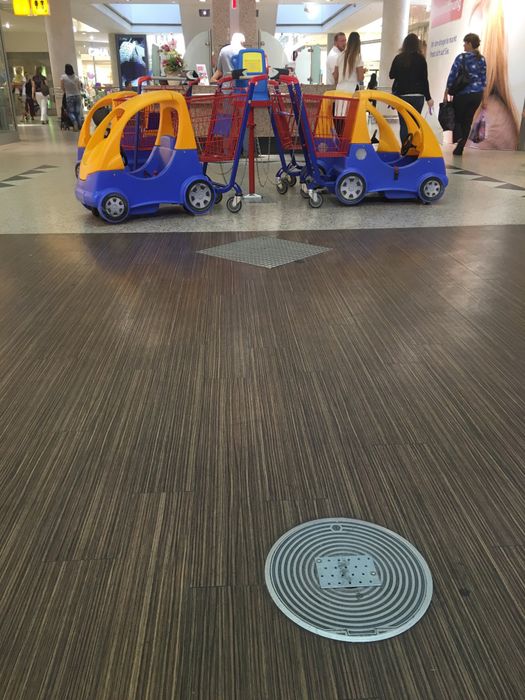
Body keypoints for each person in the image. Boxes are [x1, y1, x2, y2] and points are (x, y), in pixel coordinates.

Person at [444, 33, 486, 155]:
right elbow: (484, 79)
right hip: (477, 95)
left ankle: (459, 141)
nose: (463, 45)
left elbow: (453, 75)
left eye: (465, 43)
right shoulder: (481, 59)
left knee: (457, 119)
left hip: (463, 94)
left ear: (469, 43)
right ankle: (460, 146)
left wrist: (446, 91)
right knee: (467, 120)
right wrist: (483, 97)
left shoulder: (461, 58)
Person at [389, 33, 433, 145]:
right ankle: (413, 147)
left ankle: (405, 147)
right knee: (415, 122)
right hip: (418, 97)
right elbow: (424, 80)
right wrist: (428, 98)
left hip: (402, 96)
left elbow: (391, 75)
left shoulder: (399, 58)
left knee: (404, 123)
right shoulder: (421, 59)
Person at [60, 63, 84, 131]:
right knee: (78, 112)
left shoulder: (63, 77)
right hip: (77, 95)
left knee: (70, 112)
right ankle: (80, 125)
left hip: (69, 96)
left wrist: (66, 91)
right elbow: (79, 87)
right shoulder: (76, 77)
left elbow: (62, 87)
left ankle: (75, 123)